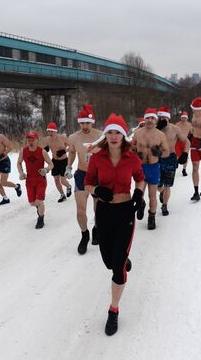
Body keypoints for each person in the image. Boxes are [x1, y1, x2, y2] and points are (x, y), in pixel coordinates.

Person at [84, 114, 145, 336]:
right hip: (105, 213)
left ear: (123, 135)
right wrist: (96, 190)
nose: (113, 136)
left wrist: (139, 192)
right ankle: (122, 259)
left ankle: (113, 310)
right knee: (109, 262)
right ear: (105, 135)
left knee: (117, 268)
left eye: (117, 132)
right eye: (109, 132)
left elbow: (140, 178)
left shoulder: (132, 157)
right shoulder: (98, 158)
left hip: (125, 211)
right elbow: (88, 182)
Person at [66, 104, 103, 254]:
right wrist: (68, 167)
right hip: (81, 174)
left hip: (98, 176)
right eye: (82, 123)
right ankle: (84, 235)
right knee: (80, 211)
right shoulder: (73, 137)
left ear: (92, 121)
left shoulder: (101, 135)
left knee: (98, 209)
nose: (84, 126)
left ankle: (96, 229)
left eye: (87, 122)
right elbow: (72, 153)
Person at [132, 108, 170, 230]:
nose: (149, 120)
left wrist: (158, 153)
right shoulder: (137, 133)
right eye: (147, 118)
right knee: (139, 193)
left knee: (152, 195)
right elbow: (131, 147)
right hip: (140, 167)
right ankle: (141, 204)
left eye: (152, 118)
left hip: (153, 168)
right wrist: (135, 153)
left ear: (156, 120)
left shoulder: (160, 135)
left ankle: (151, 217)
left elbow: (167, 152)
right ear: (145, 118)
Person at [155, 107, 189, 216]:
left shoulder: (175, 129)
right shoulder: (154, 129)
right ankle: (161, 192)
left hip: (170, 158)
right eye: (160, 117)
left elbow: (187, 142)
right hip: (157, 159)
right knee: (159, 186)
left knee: (167, 185)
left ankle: (164, 205)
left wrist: (185, 153)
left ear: (168, 117)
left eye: (164, 117)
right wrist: (157, 129)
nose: (162, 119)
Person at [17, 132, 54, 229]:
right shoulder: (23, 151)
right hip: (29, 180)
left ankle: (41, 218)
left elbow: (51, 164)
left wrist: (46, 170)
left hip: (40, 179)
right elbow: (19, 163)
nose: (30, 142)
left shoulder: (42, 151)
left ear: (37, 140)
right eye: (29, 140)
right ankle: (39, 206)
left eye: (32, 140)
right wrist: (21, 173)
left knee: (39, 201)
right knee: (32, 203)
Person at [41, 122, 72, 203]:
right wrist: (46, 149)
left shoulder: (62, 137)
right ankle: (62, 195)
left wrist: (64, 151)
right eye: (48, 131)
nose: (50, 133)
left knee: (63, 180)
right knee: (56, 180)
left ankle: (68, 186)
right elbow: (44, 149)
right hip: (54, 161)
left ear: (56, 131)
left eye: (52, 131)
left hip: (64, 161)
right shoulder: (47, 139)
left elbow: (72, 146)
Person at [175, 110, 192, 177]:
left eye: (185, 118)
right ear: (181, 118)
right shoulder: (177, 124)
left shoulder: (189, 125)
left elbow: (192, 133)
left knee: (185, 156)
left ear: (187, 118)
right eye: (182, 118)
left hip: (185, 142)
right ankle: (175, 166)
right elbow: (173, 133)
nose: (184, 119)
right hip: (178, 142)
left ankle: (184, 170)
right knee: (177, 156)